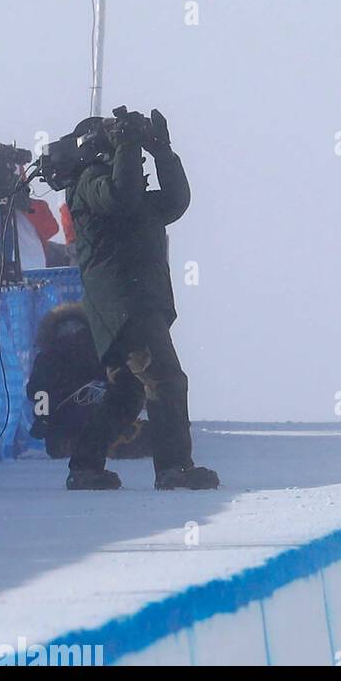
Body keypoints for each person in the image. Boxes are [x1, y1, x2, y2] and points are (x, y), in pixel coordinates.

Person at [63, 108, 219, 491]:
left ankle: (85, 467)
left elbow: (176, 202)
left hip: (131, 304)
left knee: (128, 391)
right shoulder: (90, 182)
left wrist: (161, 151)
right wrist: (129, 146)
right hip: (125, 304)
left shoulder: (127, 192)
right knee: (165, 379)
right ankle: (174, 468)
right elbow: (121, 197)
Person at [25, 302, 153, 460]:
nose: (71, 335)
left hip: (88, 420)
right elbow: (40, 391)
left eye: (76, 330)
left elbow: (39, 391)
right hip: (66, 426)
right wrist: (43, 419)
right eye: (66, 331)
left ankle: (115, 440)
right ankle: (111, 442)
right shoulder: (50, 360)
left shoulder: (95, 355)